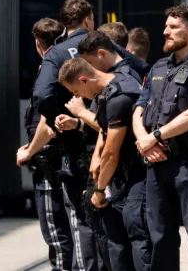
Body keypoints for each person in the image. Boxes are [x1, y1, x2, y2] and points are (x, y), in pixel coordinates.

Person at [133, 5, 188, 271]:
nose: (165, 32)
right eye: (166, 26)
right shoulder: (157, 66)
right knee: (160, 233)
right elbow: (139, 108)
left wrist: (154, 137)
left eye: (173, 27)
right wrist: (145, 141)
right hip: (155, 162)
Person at [59, 56, 150, 271]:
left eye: (75, 91)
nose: (78, 97)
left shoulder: (118, 97)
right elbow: (104, 131)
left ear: (83, 79)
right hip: (119, 178)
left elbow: (112, 152)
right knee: (114, 242)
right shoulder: (107, 92)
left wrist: (99, 188)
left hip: (134, 176)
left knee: (137, 240)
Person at [31, 0, 99, 271]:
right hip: (103, 142)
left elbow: (42, 95)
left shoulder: (57, 55)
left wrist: (63, 117)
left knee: (77, 218)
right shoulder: (101, 47)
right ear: (87, 20)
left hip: (73, 148)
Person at [18, 17, 75, 271]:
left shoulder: (49, 76)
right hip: (59, 162)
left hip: (50, 165)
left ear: (38, 45)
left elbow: (46, 123)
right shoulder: (63, 69)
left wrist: (28, 151)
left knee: (57, 234)